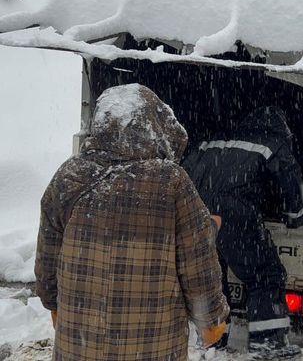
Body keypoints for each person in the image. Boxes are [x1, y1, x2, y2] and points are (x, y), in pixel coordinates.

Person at [35, 84, 229, 361]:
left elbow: (47, 257)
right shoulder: (170, 181)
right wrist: (211, 319)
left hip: (78, 345)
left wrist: (53, 304)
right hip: (153, 346)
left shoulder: (70, 175)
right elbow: (197, 263)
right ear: (155, 125)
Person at [183, 106, 303, 359]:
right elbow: (291, 183)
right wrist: (295, 215)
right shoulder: (273, 143)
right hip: (236, 214)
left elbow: (184, 172)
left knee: (213, 278)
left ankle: (211, 340)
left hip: (198, 213)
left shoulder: (214, 141)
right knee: (265, 275)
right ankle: (268, 343)